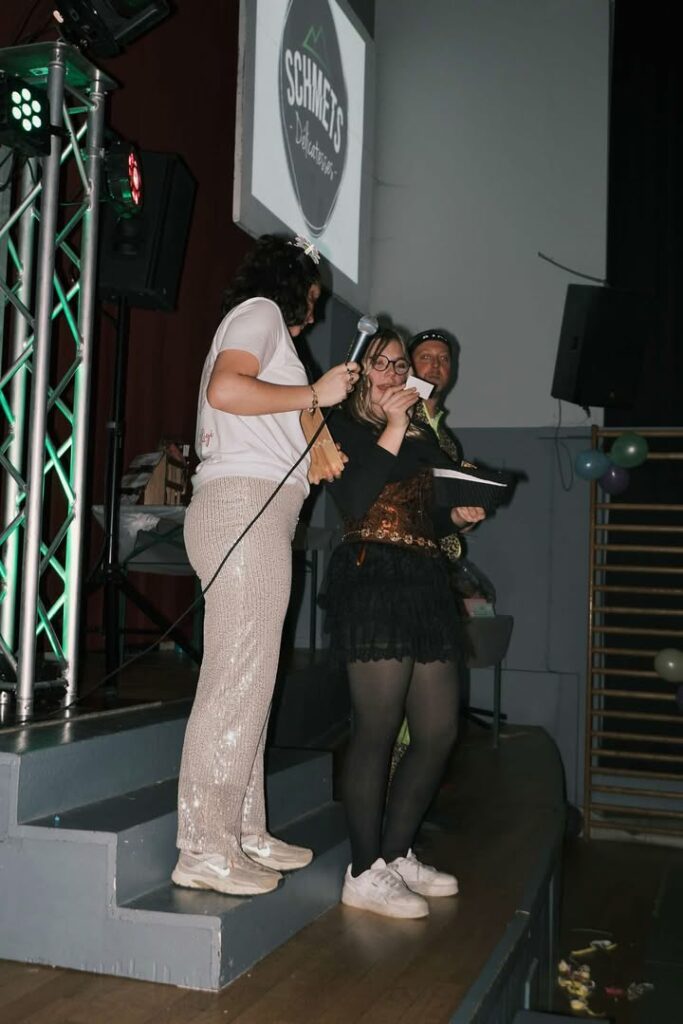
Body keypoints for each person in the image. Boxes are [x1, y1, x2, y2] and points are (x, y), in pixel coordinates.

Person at [173, 234, 360, 897]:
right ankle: (204, 845)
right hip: (243, 506)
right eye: (312, 296)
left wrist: (314, 424)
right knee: (237, 679)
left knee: (250, 678)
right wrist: (313, 392)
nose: (313, 311)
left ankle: (243, 830)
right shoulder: (259, 312)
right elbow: (227, 389)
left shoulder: (264, 328)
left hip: (254, 508)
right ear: (293, 284)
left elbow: (257, 408)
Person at [319, 328, 486, 919]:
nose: (394, 373)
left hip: (424, 579)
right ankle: (363, 871)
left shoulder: (420, 434)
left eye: (398, 364)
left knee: (438, 730)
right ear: (359, 372)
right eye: (382, 363)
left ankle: (395, 854)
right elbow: (357, 499)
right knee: (378, 727)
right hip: (373, 574)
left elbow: (430, 513)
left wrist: (459, 517)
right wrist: (393, 423)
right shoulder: (339, 424)